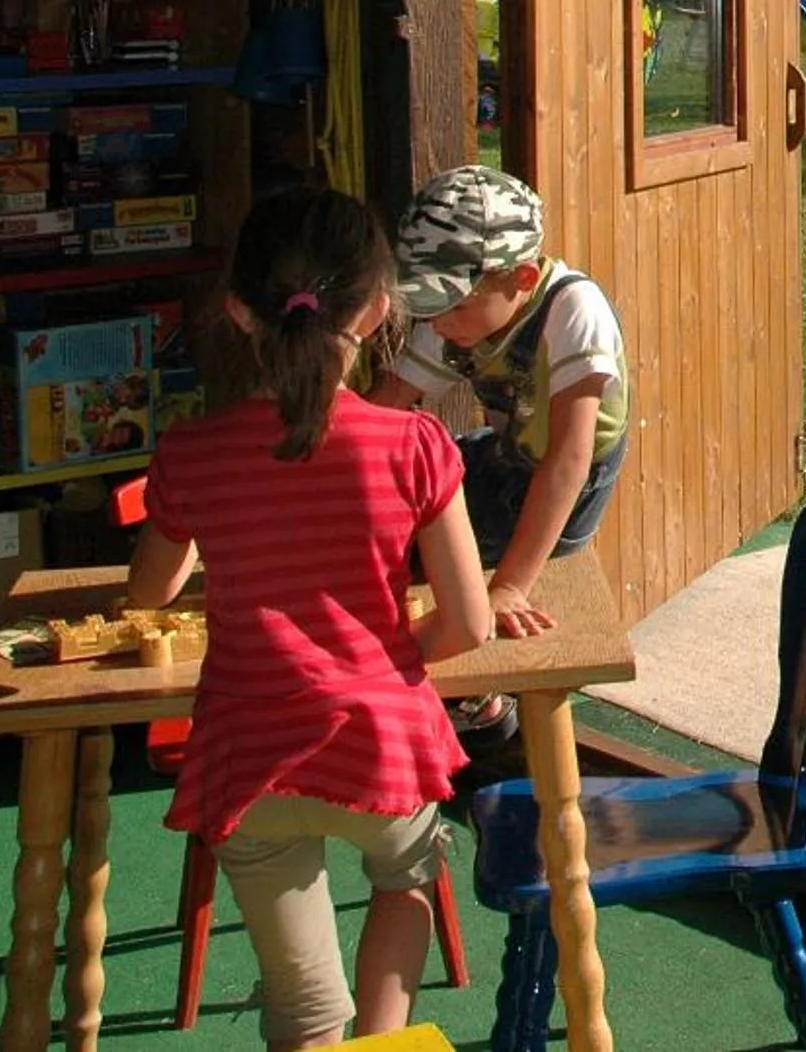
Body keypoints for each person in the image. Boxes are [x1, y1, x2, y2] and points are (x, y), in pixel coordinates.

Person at [126, 186, 492, 1051]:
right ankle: (386, 1039)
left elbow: (149, 591)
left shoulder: (191, 451)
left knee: (299, 1005)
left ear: (236, 311)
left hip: (248, 753)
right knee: (405, 881)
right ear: (377, 309)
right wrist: (398, 657)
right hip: (380, 742)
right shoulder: (413, 446)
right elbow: (470, 623)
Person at [369, 165, 631, 738]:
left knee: (458, 565)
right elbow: (386, 406)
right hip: (509, 451)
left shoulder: (573, 311)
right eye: (428, 306)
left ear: (523, 276)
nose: (438, 322)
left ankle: (481, 700)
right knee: (412, 513)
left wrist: (510, 585)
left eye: (453, 308)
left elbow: (568, 459)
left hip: (571, 480)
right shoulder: (456, 314)